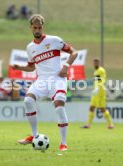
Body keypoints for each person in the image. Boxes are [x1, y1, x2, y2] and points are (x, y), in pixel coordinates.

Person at [11, 14, 78, 151]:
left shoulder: (54, 40)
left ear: (43, 27)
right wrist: (19, 68)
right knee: (28, 101)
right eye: (35, 27)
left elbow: (74, 52)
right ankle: (34, 136)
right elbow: (31, 67)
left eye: (39, 27)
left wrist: (66, 66)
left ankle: (63, 143)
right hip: (41, 80)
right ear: (31, 28)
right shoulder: (30, 47)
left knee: (59, 106)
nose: (37, 30)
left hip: (57, 78)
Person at [81, 59, 114, 129]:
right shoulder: (95, 71)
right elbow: (97, 81)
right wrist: (95, 88)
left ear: (99, 63)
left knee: (103, 109)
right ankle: (88, 124)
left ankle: (110, 124)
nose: (95, 64)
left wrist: (98, 88)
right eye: (94, 63)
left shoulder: (101, 70)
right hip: (95, 92)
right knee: (91, 107)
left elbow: (103, 80)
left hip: (100, 92)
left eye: (96, 63)